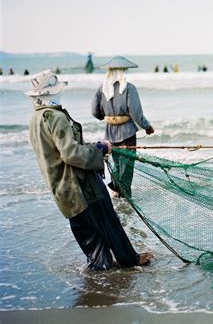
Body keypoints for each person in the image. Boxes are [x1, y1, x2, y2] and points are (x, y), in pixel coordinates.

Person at [26, 69, 153, 271]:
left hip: (61, 188)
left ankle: (99, 269)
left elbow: (59, 151)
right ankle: (130, 260)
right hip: (82, 185)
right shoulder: (56, 117)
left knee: (87, 233)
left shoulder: (36, 119)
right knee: (108, 220)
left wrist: (94, 147)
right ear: (52, 92)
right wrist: (100, 149)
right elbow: (70, 154)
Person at [91, 56, 155, 198]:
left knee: (118, 164)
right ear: (123, 72)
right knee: (126, 166)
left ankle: (117, 192)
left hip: (109, 132)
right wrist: (147, 126)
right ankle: (125, 195)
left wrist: (106, 118)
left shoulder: (102, 89)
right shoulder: (129, 88)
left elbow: (95, 111)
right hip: (127, 133)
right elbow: (136, 113)